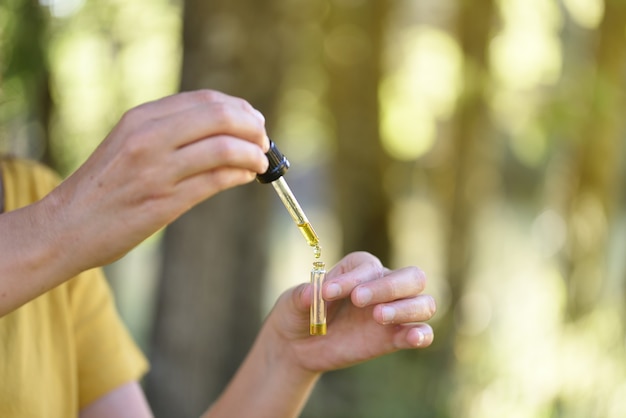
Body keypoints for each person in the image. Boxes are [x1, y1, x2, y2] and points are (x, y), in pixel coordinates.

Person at [0, 90, 436, 417]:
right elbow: (57, 231)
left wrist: (286, 360)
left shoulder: (34, 192)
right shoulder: (54, 219)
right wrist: (57, 227)